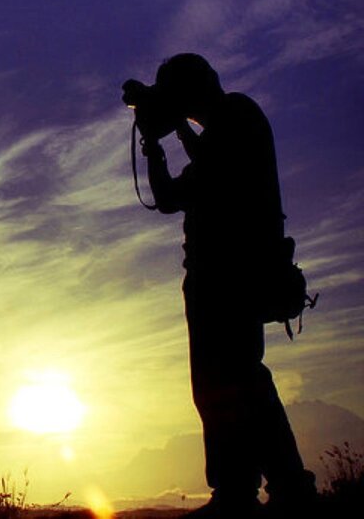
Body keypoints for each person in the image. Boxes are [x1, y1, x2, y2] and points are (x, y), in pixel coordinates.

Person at [133, 54, 317, 518]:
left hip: (226, 276)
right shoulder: (230, 124)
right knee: (243, 380)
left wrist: (165, 130)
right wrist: (159, 140)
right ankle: (285, 486)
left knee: (224, 385)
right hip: (226, 276)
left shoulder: (236, 115)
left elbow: (197, 184)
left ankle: (239, 493)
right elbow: (177, 193)